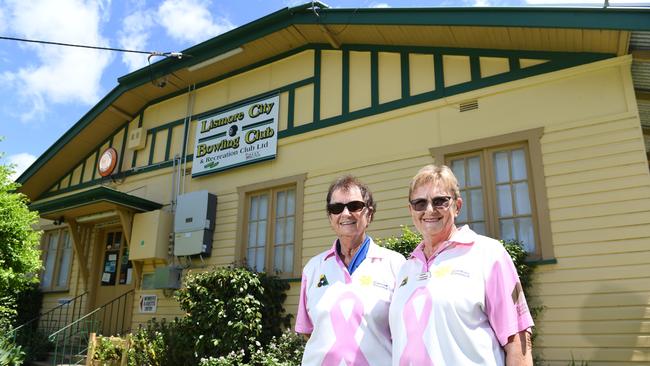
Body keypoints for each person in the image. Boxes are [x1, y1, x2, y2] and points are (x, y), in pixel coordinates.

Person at [389, 164, 534, 366]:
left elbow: (518, 339)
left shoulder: (489, 254)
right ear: (411, 210)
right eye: (420, 203)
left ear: (457, 206)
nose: (429, 210)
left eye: (440, 201)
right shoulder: (406, 268)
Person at [295, 175, 406, 366]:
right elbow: (309, 331)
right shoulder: (313, 268)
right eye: (336, 208)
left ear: (369, 214)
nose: (345, 213)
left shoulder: (396, 265)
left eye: (355, 206)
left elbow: (404, 332)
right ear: (330, 217)